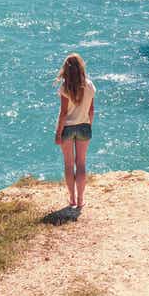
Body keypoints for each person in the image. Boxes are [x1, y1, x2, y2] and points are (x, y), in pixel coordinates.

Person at [53, 53, 95, 209]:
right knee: (81, 163)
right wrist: (89, 125)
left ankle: (71, 198)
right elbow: (91, 110)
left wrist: (58, 133)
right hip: (84, 126)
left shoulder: (65, 87)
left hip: (68, 128)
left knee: (69, 165)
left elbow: (63, 113)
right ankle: (81, 199)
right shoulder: (90, 85)